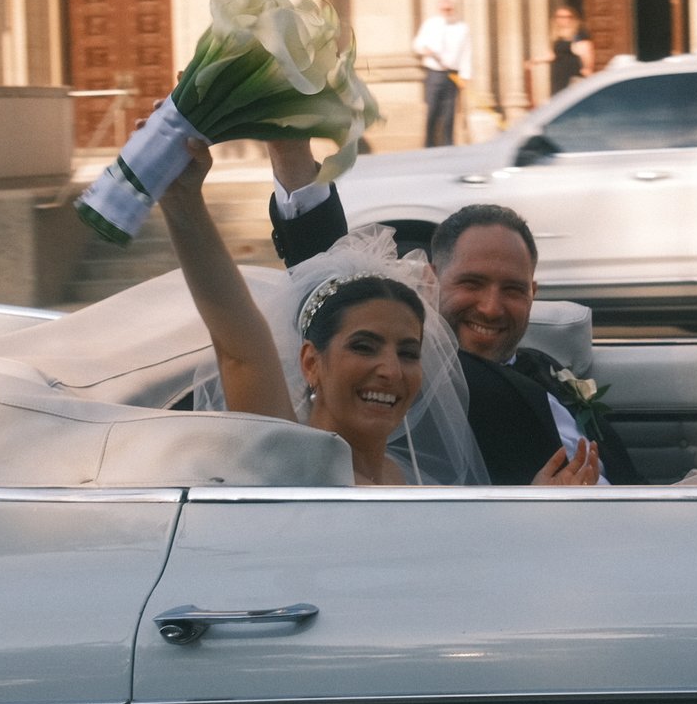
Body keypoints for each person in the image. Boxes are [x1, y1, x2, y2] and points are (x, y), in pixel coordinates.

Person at [159, 136, 579, 487]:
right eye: (364, 346)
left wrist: (532, 508)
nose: (391, 370)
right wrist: (182, 202)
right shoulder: (288, 457)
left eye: (409, 352)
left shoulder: (410, 479)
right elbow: (238, 342)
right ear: (311, 362)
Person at [264, 140, 636, 485]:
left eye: (512, 289)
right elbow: (323, 268)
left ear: (533, 293)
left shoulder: (544, 365)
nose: (491, 308)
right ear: (431, 282)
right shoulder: (413, 382)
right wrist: (290, 149)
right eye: (471, 284)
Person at [412, 0, 472, 148]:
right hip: (434, 72)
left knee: (449, 112)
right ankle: (429, 144)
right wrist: (424, 50)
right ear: (439, 10)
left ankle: (448, 144)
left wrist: (465, 75)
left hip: (452, 73)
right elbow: (418, 44)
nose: (447, 12)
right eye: (444, 9)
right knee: (432, 109)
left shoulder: (462, 28)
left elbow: (466, 52)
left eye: (449, 9)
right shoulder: (431, 24)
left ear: (454, 9)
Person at [529, 5, 596, 101]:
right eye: (559, 17)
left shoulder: (578, 34)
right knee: (558, 98)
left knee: (572, 98)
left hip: (572, 71)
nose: (563, 20)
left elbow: (586, 51)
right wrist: (534, 61)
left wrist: (587, 68)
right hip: (559, 72)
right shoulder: (556, 35)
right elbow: (552, 55)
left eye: (566, 17)